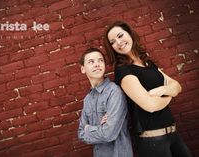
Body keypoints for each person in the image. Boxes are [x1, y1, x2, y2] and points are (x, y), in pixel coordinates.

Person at [104, 21, 192, 157]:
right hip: (152, 141)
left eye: (120, 35)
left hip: (173, 134)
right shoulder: (123, 70)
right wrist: (169, 95)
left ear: (130, 34)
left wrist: (161, 91)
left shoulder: (147, 62)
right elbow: (150, 105)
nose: (118, 42)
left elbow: (176, 86)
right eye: (113, 42)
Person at [77, 48, 133, 157]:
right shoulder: (87, 99)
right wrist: (100, 128)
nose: (97, 64)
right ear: (83, 69)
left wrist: (88, 128)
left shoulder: (114, 92)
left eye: (100, 60)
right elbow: (80, 133)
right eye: (91, 62)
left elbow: (109, 134)